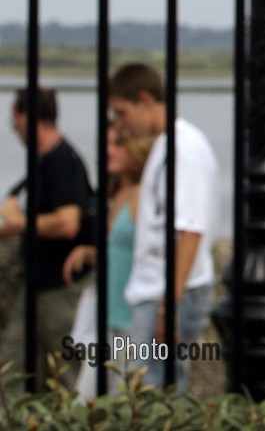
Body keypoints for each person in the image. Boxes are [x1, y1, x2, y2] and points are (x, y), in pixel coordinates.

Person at [108, 63, 218, 392]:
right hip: (158, 291)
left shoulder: (181, 150)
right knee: (145, 391)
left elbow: (191, 232)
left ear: (145, 100)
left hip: (165, 293)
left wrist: (168, 308)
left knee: (150, 394)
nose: (119, 125)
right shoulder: (166, 145)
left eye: (121, 113)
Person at [0, 86, 92, 390]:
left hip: (60, 288)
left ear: (29, 118)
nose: (13, 128)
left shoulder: (62, 161)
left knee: (66, 376)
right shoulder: (42, 161)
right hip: (37, 285)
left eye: (14, 119)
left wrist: (18, 220)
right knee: (12, 370)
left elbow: (68, 222)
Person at [63, 127, 153, 393]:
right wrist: (89, 253)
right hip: (106, 319)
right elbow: (121, 247)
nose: (109, 151)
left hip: (130, 322)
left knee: (120, 402)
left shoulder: (143, 194)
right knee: (90, 401)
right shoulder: (117, 193)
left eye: (118, 144)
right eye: (107, 144)